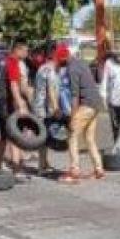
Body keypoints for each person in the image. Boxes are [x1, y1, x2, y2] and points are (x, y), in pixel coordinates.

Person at [63, 44, 107, 183]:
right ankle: (99, 169)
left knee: (72, 135)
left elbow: (75, 95)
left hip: (86, 104)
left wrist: (72, 116)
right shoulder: (81, 63)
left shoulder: (71, 69)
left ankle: (74, 171)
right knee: (89, 138)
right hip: (96, 104)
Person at [0, 39, 31, 177]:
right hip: (5, 104)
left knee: (3, 136)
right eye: (25, 50)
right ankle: (16, 170)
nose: (27, 53)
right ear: (18, 50)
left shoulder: (4, 61)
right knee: (14, 136)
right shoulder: (13, 63)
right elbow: (14, 85)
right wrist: (21, 104)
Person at [32, 43, 69, 176]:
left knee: (44, 137)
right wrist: (56, 108)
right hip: (43, 109)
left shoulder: (43, 68)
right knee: (43, 137)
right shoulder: (51, 71)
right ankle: (41, 167)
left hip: (39, 106)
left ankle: (44, 163)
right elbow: (51, 91)